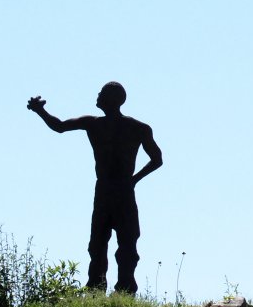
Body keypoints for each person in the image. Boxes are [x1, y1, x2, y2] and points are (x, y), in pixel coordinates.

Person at [28, 82, 162, 294]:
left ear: (111, 98)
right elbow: (60, 126)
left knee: (124, 244)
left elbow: (157, 159)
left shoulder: (134, 127)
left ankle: (122, 291)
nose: (97, 96)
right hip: (108, 191)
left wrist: (134, 180)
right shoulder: (100, 124)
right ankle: (96, 290)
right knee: (99, 244)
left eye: (101, 94)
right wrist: (40, 111)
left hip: (119, 191)